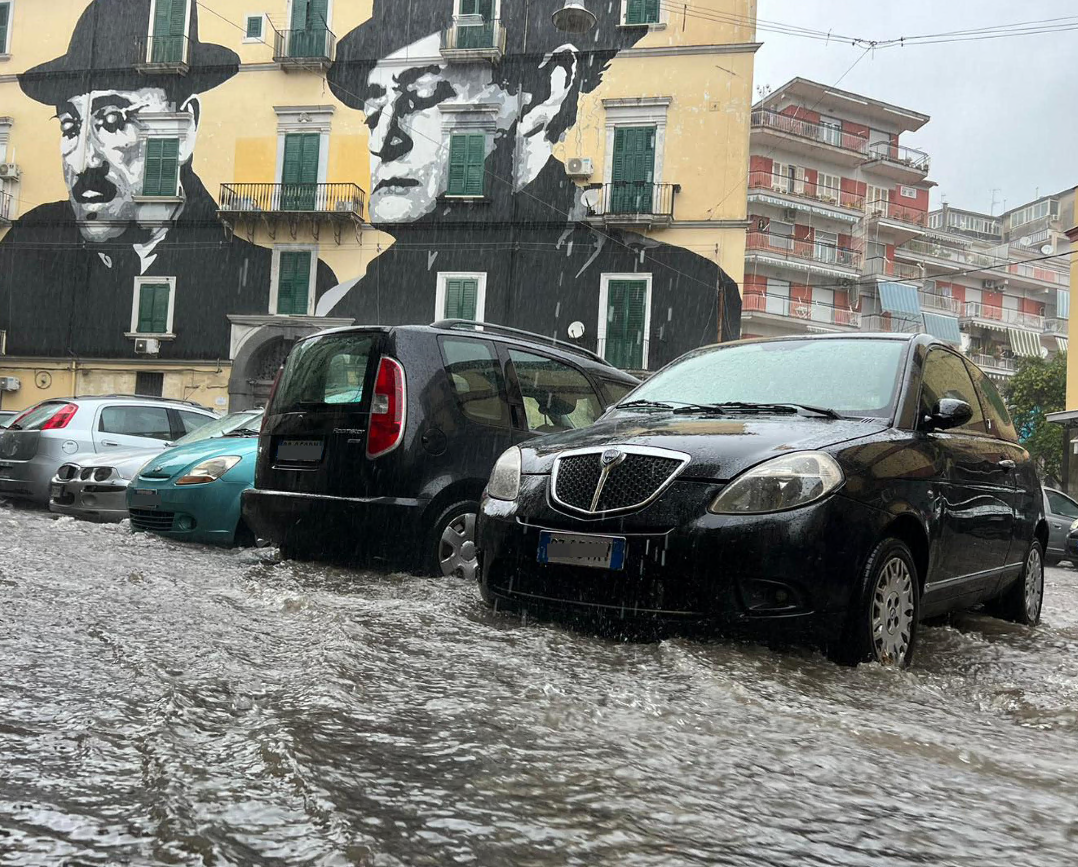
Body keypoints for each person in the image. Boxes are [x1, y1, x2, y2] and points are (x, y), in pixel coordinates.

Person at [321, 0, 740, 365]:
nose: (381, 142)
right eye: (373, 112)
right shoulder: (348, 300)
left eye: (421, 97)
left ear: (549, 90)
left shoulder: (690, 286)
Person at [0, 0, 336, 361]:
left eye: (113, 122)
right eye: (69, 127)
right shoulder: (26, 243)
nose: (86, 161)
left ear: (187, 129)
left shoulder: (254, 266)